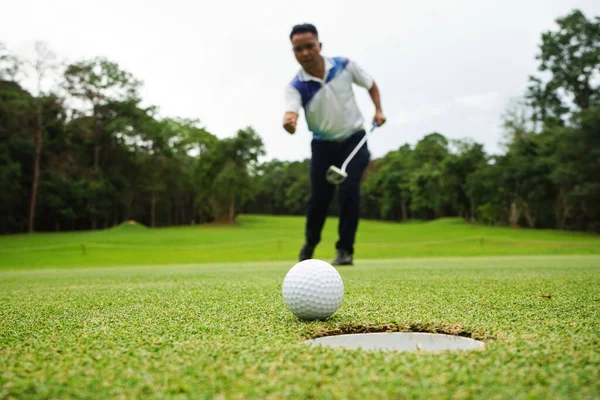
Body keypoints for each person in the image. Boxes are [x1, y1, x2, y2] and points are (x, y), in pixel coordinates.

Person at [283, 23, 386, 266]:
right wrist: (290, 120)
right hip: (323, 146)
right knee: (319, 198)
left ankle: (345, 250)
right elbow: (291, 111)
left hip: (354, 138)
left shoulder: (344, 66)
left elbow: (370, 84)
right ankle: (309, 245)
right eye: (299, 49)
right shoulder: (296, 86)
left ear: (319, 45)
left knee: (350, 189)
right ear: (294, 52)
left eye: (309, 46)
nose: (305, 53)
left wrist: (379, 110)